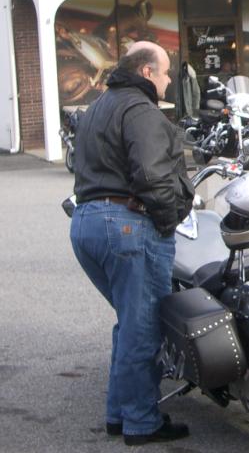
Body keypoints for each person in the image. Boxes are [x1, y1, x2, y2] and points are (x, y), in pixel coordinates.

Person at [69, 41, 194, 445]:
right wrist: (169, 220)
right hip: (126, 224)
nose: (169, 79)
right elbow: (152, 176)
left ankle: (119, 415)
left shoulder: (98, 106)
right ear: (146, 72)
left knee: (130, 325)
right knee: (143, 329)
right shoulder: (140, 110)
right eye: (165, 71)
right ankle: (141, 421)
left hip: (87, 220)